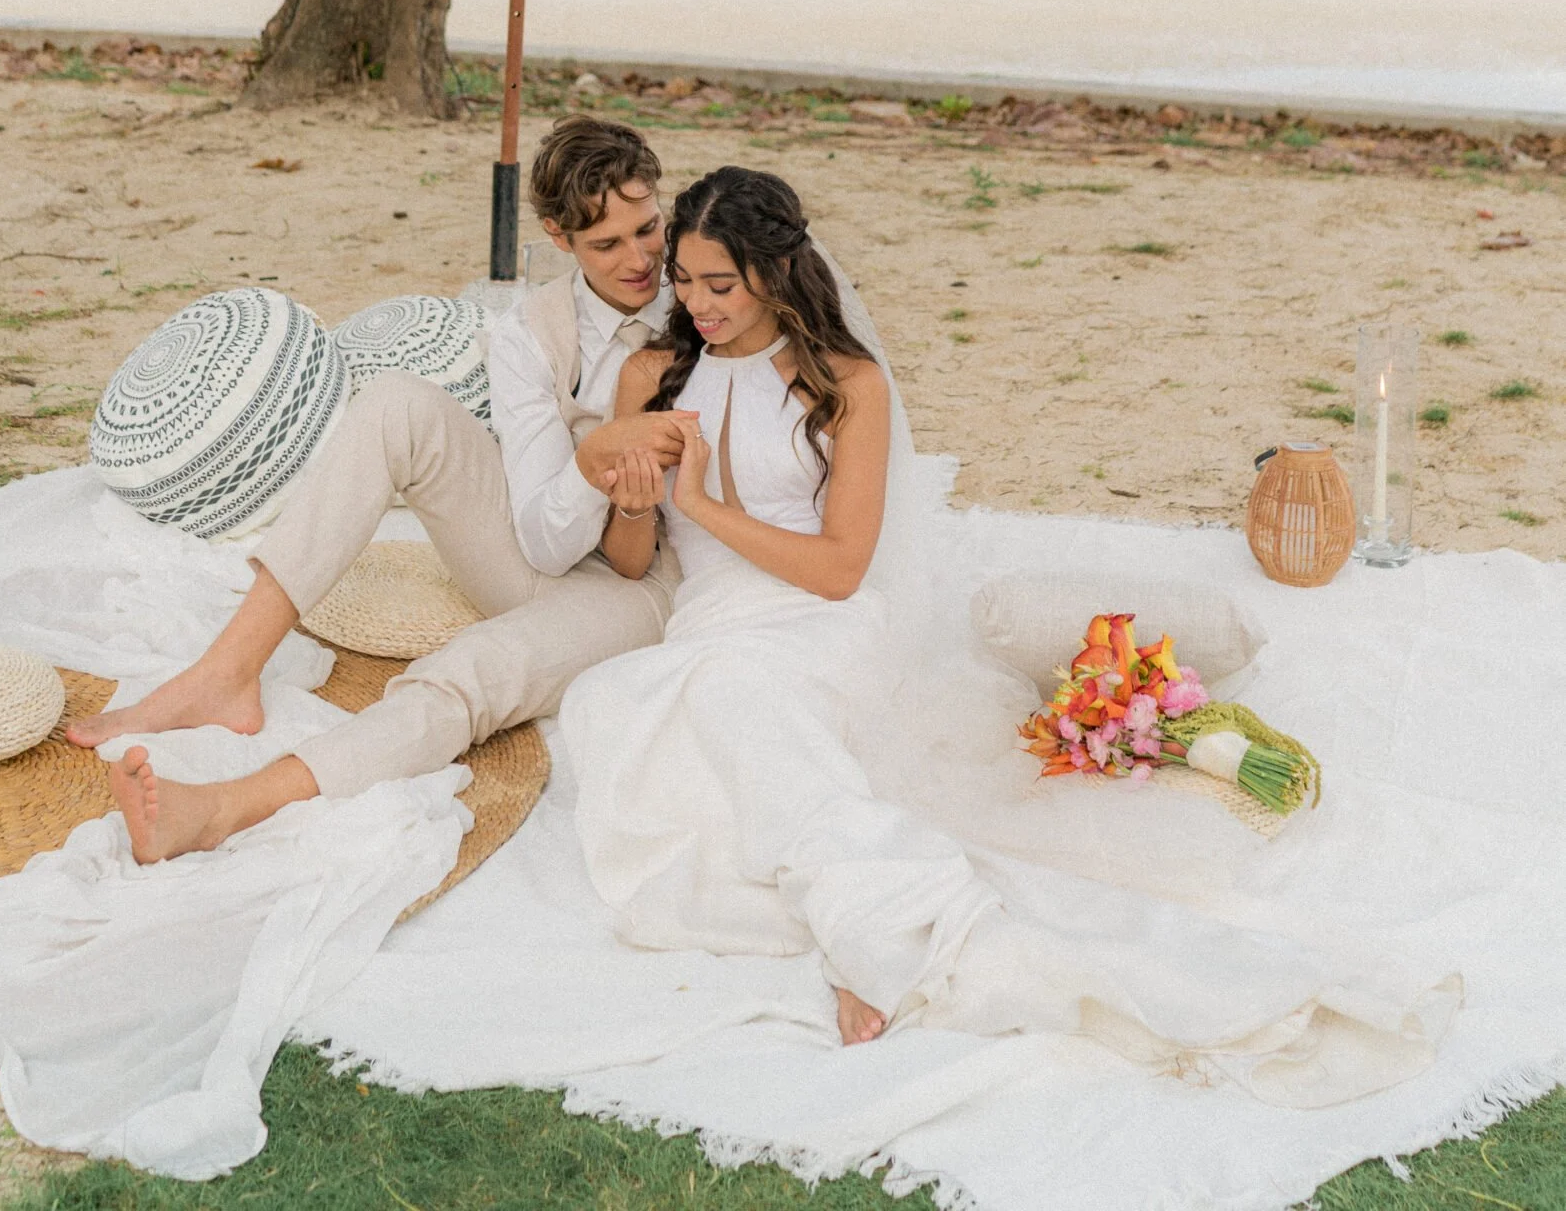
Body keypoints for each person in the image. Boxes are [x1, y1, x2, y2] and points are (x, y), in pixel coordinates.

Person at [560, 166, 1459, 1096]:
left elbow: (838, 569)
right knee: (629, 707)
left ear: (776, 271)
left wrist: (698, 501)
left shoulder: (847, 384)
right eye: (684, 278)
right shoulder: (650, 376)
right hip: (717, 619)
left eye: (721, 284)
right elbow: (632, 561)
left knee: (732, 705)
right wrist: (634, 502)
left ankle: (874, 937)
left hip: (826, 621)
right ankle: (861, 914)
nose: (696, 303)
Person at [71, 116, 697, 861]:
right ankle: (227, 670)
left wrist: (618, 474)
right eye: (607, 245)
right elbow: (542, 541)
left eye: (647, 229)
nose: (639, 260)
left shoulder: (706, 297)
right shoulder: (530, 332)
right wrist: (594, 462)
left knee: (474, 666)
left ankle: (223, 808)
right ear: (561, 239)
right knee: (397, 402)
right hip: (544, 547)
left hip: (644, 584)